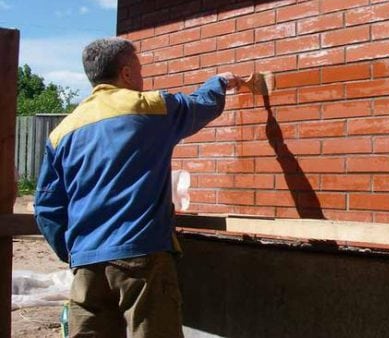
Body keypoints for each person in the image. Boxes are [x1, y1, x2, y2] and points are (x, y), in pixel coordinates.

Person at [34, 37, 241, 337]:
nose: (143, 77)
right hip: (141, 258)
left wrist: (76, 253)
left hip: (86, 265)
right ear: (127, 73)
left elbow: (46, 209)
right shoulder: (150, 108)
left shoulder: (63, 131)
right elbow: (199, 105)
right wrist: (220, 81)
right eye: (140, 69)